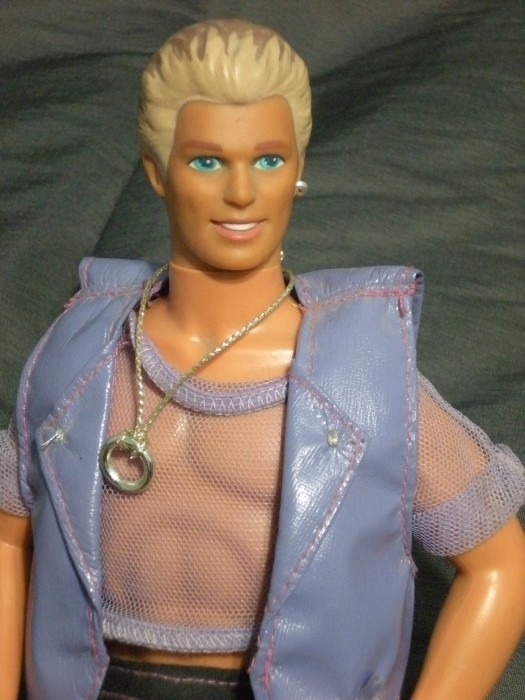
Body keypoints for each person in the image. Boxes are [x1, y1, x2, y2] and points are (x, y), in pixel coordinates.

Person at [0, 19, 524, 700]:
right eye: (207, 161)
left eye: (269, 160)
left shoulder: (363, 379)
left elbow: (501, 564)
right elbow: (8, 539)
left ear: (297, 170)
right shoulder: (79, 356)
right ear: (157, 171)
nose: (242, 192)